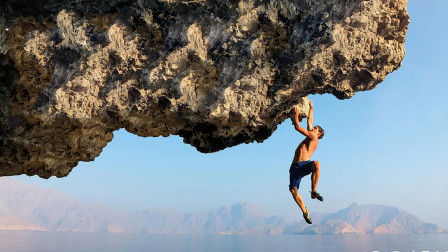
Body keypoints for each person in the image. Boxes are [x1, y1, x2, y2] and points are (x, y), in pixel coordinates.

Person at [289, 101, 325, 224]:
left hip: (303, 165)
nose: (313, 127)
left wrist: (295, 116)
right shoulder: (311, 136)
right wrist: (311, 108)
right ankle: (305, 212)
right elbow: (310, 121)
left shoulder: (314, 138)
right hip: (294, 167)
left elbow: (298, 127)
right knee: (293, 191)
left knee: (316, 164)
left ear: (318, 133)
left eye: (315, 128)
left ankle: (313, 191)